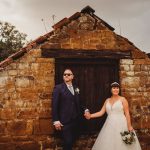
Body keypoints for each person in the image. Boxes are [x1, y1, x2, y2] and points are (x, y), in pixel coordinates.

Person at [84, 82, 141, 150]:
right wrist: (90, 116)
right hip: (109, 125)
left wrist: (129, 126)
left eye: (117, 88)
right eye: (114, 88)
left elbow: (127, 114)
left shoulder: (123, 99)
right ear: (111, 90)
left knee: (123, 143)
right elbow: (101, 112)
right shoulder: (107, 100)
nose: (116, 89)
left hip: (121, 124)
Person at [52, 69, 87, 150]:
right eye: (64, 74)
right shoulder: (58, 88)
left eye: (68, 74)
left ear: (72, 76)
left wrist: (86, 110)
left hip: (76, 120)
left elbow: (80, 102)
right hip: (64, 121)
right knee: (68, 142)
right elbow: (54, 105)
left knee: (72, 141)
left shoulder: (76, 88)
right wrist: (56, 120)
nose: (66, 76)